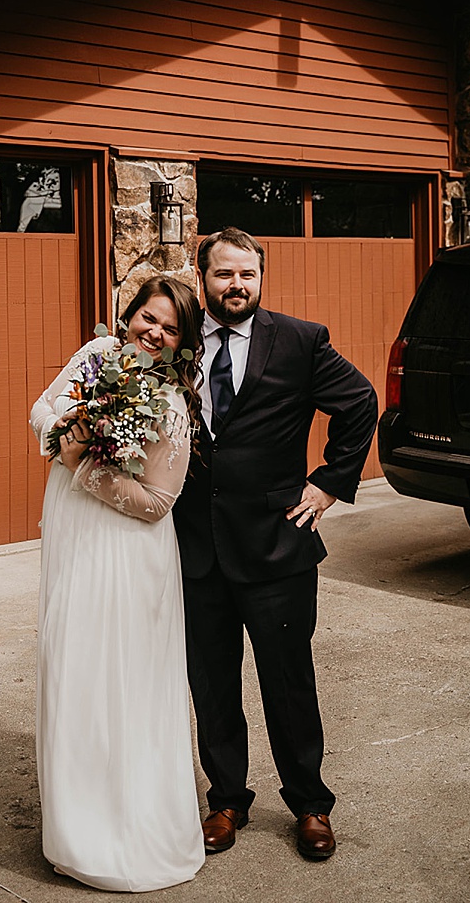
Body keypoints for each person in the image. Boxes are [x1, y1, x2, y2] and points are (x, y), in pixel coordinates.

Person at [174, 227, 378, 863]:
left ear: (260, 278)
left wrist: (326, 486)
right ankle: (227, 799)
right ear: (201, 277)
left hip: (276, 546)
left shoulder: (299, 340)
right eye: (223, 274)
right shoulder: (177, 341)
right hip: (198, 548)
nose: (237, 285)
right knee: (211, 682)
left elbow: (361, 403)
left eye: (247, 275)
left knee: (288, 681)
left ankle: (311, 804)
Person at [27, 276, 207, 892]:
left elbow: (158, 501)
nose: (152, 333)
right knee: (73, 670)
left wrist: (80, 462)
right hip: (73, 537)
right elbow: (41, 409)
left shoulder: (174, 401)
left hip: (127, 555)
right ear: (127, 315)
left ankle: (124, 830)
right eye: (146, 318)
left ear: (182, 342)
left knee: (121, 680)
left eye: (169, 327)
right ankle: (74, 826)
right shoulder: (95, 355)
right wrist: (65, 430)